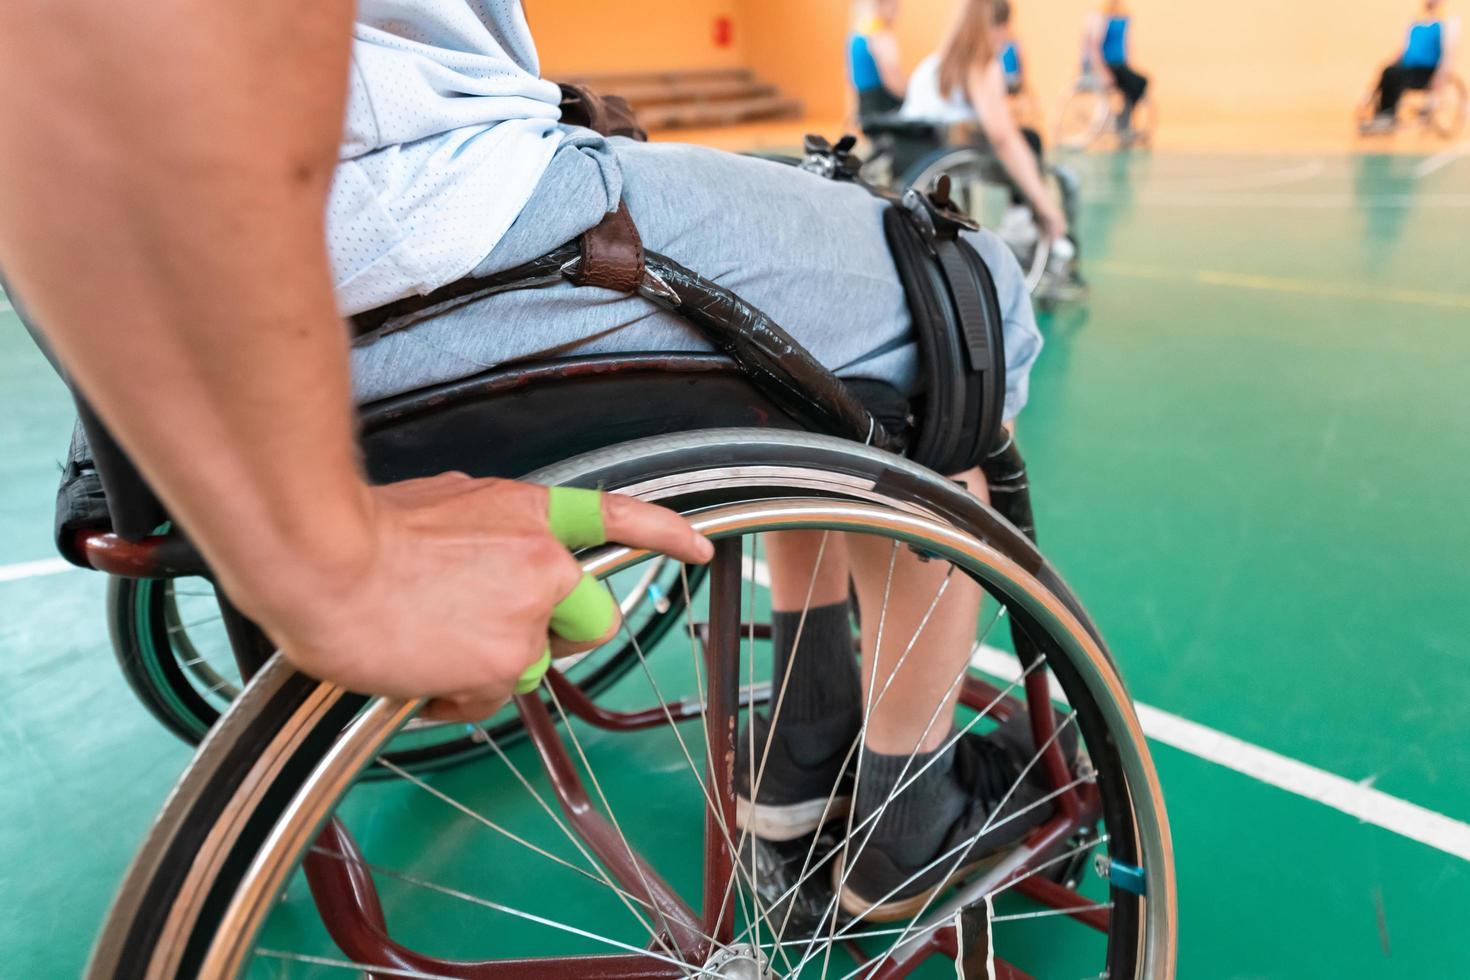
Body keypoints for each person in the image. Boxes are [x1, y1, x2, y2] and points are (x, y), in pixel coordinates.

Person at [0, 0, 1055, 922]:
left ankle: (805, 739)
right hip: (417, 234)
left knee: (815, 317)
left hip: (327, 249)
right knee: (963, 302)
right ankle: (908, 808)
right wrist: (321, 554)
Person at [898, 0, 1072, 263]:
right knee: (1028, 139)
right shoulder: (981, 65)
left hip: (912, 151)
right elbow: (1002, 138)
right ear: (996, 28)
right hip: (947, 153)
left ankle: (1020, 216)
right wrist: (1049, 209)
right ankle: (1021, 219)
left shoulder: (932, 65)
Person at [1362, 0, 1462, 134]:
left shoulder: (1447, 23)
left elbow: (1449, 53)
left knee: (1396, 74)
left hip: (1426, 72)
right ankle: (1383, 115)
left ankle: (1388, 117)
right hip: (1407, 69)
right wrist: (1389, 64)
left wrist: (1441, 76)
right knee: (1389, 71)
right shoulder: (1414, 24)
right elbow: (1402, 50)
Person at [1086, 0, 1150, 137]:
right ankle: (1122, 120)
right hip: (1107, 65)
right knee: (1140, 82)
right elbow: (1094, 46)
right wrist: (1102, 72)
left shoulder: (1124, 15)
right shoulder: (1099, 16)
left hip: (1120, 65)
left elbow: (1126, 44)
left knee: (1136, 83)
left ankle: (1123, 120)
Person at [848, 0, 908, 119]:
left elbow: (850, 76)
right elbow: (893, 80)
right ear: (882, 4)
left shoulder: (857, 33)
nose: (897, 13)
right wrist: (913, 95)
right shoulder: (881, 35)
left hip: (865, 110)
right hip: (883, 110)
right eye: (895, 7)